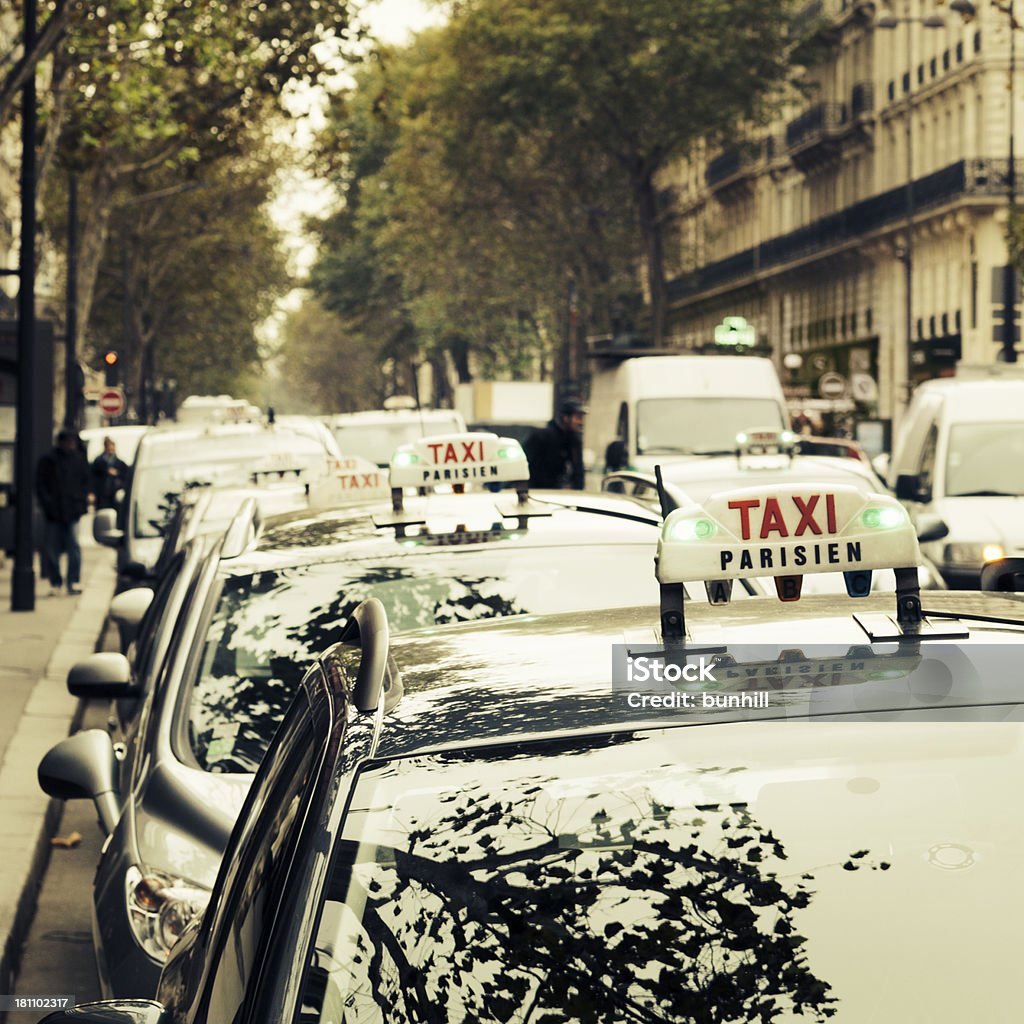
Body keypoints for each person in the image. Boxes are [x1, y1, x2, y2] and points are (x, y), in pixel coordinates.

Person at [35, 428, 90, 596]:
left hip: (71, 510)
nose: (70, 445)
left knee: (73, 547)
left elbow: (86, 483)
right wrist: (48, 504)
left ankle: (72, 581)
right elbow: (40, 484)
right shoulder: (49, 460)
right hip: (55, 511)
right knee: (53, 548)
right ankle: (56, 581)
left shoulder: (78, 460)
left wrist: (80, 502)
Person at [524, 398, 586, 489]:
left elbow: (578, 470)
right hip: (536, 490)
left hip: (558, 491)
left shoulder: (574, 439)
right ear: (566, 418)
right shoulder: (541, 436)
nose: (581, 422)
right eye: (578, 418)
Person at [90, 436, 129, 510]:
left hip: (115, 494)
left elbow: (126, 476)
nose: (111, 449)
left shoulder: (120, 463)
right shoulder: (98, 462)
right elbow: (92, 478)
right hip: (102, 495)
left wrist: (117, 473)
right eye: (109, 447)